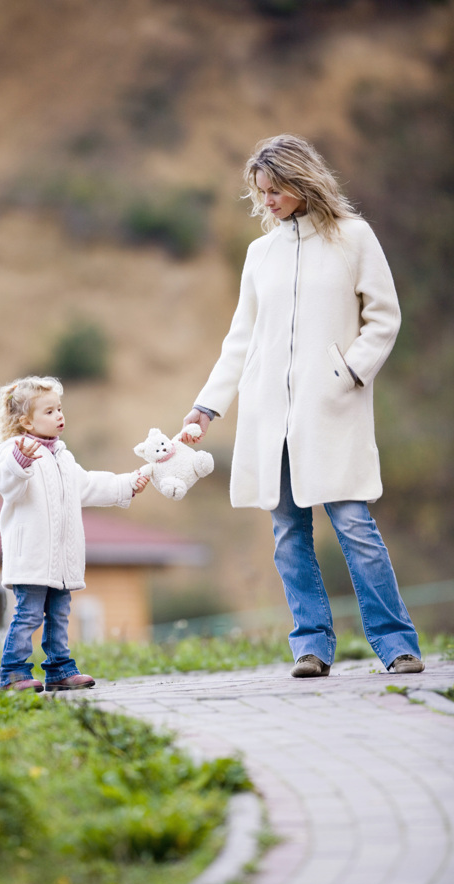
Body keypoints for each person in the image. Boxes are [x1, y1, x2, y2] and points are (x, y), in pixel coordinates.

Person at [182, 134, 424, 678]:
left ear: (301, 181)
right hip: (271, 418)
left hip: (332, 412)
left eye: (275, 190)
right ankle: (311, 646)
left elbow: (384, 317)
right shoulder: (259, 254)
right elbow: (241, 339)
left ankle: (396, 643)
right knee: (289, 534)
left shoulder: (353, 238)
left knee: (355, 526)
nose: (266, 201)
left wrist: (349, 372)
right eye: (260, 192)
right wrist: (206, 407)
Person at [0, 375, 149, 692]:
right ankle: (13, 672)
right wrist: (21, 460)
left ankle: (59, 669)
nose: (59, 415)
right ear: (25, 421)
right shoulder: (11, 451)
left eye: (59, 409)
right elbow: (4, 480)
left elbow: (87, 486)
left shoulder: (64, 457)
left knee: (59, 616)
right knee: (28, 615)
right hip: (31, 558)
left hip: (61, 560)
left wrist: (127, 483)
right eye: (49, 411)